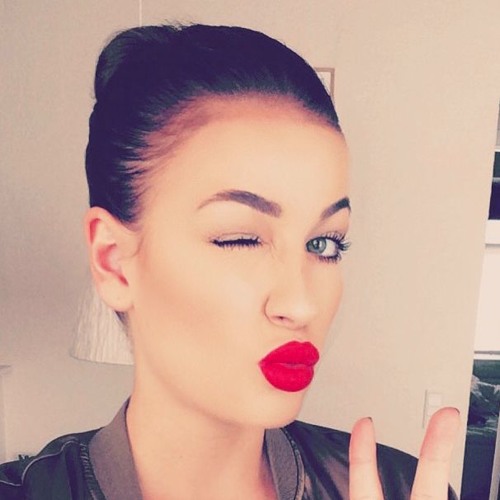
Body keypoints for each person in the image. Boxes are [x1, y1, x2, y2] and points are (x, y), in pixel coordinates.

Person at [0, 23, 459, 499]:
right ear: (113, 262)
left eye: (324, 243)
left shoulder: (401, 489)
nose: (301, 304)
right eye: (241, 239)